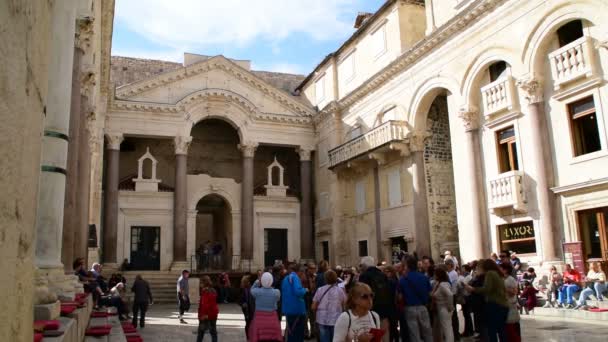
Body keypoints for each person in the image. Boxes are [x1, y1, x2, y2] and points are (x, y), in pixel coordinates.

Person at [465, 261, 508, 342]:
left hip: (495, 304)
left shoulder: (490, 273)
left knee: (492, 330)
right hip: (502, 304)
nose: (476, 269)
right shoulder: (497, 273)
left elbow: (486, 289)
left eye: (478, 267)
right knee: (501, 330)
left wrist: (473, 289)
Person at [358, 256, 393, 340]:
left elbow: (361, 293)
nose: (361, 268)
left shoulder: (364, 276)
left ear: (365, 265)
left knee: (373, 334)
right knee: (384, 332)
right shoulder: (383, 275)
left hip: (371, 309)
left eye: (361, 265)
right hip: (385, 308)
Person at [398, 256, 433, 342]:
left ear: (407, 266)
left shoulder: (402, 279)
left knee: (414, 334)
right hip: (423, 307)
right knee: (427, 332)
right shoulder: (424, 278)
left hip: (409, 308)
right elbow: (430, 294)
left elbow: (400, 297)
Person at [312, 270, 346, 342]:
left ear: (325, 279)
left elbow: (313, 306)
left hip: (322, 319)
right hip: (336, 319)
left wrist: (315, 317)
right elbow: (344, 305)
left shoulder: (320, 290)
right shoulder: (340, 291)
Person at [250, 272, 282, 342]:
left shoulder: (257, 292)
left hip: (259, 321)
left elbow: (251, 289)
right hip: (273, 321)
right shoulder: (276, 292)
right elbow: (278, 299)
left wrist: (258, 281)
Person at [281, 263, 308, 342]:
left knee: (291, 332)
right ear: (299, 271)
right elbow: (298, 292)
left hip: (288, 310)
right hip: (297, 310)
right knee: (298, 334)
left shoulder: (285, 278)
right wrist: (305, 290)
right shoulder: (295, 277)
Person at [431, 268, 454, 342]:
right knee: (446, 328)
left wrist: (450, 306)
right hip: (441, 308)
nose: (434, 275)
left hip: (444, 308)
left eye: (435, 274)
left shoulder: (442, 284)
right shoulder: (440, 283)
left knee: (447, 328)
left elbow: (450, 295)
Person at [498, 262, 520, 341]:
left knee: (510, 329)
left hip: (510, 305)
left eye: (500, 268)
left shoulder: (511, 279)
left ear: (505, 270)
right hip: (503, 305)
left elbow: (514, 292)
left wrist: (504, 288)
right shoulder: (501, 279)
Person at [197, 275, 219, 342]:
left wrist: (203, 315)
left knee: (201, 333)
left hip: (206, 315)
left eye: (200, 283)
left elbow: (205, 305)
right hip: (213, 314)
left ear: (203, 283)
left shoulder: (205, 291)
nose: (200, 284)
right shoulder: (213, 290)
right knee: (213, 332)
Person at [240, 275, 255, 339]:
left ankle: (252, 335)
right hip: (246, 309)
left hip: (252, 308)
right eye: (247, 282)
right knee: (248, 323)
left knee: (252, 322)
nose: (248, 283)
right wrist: (242, 303)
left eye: (249, 282)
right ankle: (248, 337)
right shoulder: (242, 290)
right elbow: (239, 299)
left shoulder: (253, 288)